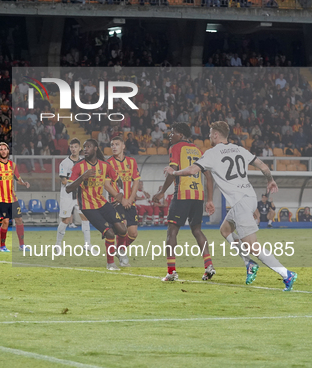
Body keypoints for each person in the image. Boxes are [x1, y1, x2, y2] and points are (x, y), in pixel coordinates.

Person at [168, 121, 297, 291]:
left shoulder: (212, 153)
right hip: (249, 197)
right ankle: (249, 263)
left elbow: (192, 170)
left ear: (215, 135)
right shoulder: (240, 149)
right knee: (225, 230)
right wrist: (270, 180)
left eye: (209, 134)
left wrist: (174, 172)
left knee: (253, 246)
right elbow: (263, 166)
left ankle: (286, 274)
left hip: (240, 203)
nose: (208, 137)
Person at [152, 122, 216, 282]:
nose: (170, 135)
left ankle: (171, 271)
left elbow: (173, 173)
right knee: (197, 231)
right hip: (198, 195)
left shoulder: (176, 147)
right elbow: (209, 176)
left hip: (182, 194)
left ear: (180, 134)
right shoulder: (198, 150)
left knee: (172, 231)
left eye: (172, 132)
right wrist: (209, 199)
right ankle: (209, 266)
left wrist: (161, 192)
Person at [66, 139, 127, 270]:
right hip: (88, 207)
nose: (85, 149)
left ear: (95, 149)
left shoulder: (104, 165)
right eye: (84, 147)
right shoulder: (79, 166)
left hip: (102, 203)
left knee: (123, 230)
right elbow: (68, 188)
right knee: (110, 233)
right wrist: (82, 177)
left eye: (88, 146)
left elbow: (118, 179)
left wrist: (120, 192)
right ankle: (110, 263)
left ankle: (118, 252)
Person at [0, 142, 30, 252]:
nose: (3, 151)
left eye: (5, 149)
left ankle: (22, 245)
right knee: (6, 221)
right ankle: (2, 246)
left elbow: (18, 179)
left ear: (8, 151)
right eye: (1, 149)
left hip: (13, 199)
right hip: (1, 199)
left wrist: (24, 183)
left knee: (19, 220)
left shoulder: (13, 165)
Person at [106, 136, 141, 267]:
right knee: (123, 227)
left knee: (133, 233)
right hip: (116, 203)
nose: (114, 147)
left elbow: (136, 181)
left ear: (123, 146)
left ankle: (120, 250)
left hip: (130, 203)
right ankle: (121, 258)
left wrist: (130, 199)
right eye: (112, 144)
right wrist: (122, 199)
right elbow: (107, 184)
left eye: (117, 144)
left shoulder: (132, 162)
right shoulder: (108, 163)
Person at [55, 138, 92, 254]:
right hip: (67, 194)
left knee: (85, 217)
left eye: (76, 147)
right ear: (69, 148)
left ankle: (87, 244)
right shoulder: (64, 163)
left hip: (80, 194)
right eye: (71, 147)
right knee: (65, 220)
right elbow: (64, 180)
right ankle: (58, 245)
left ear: (80, 148)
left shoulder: (84, 162)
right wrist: (76, 184)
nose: (73, 149)